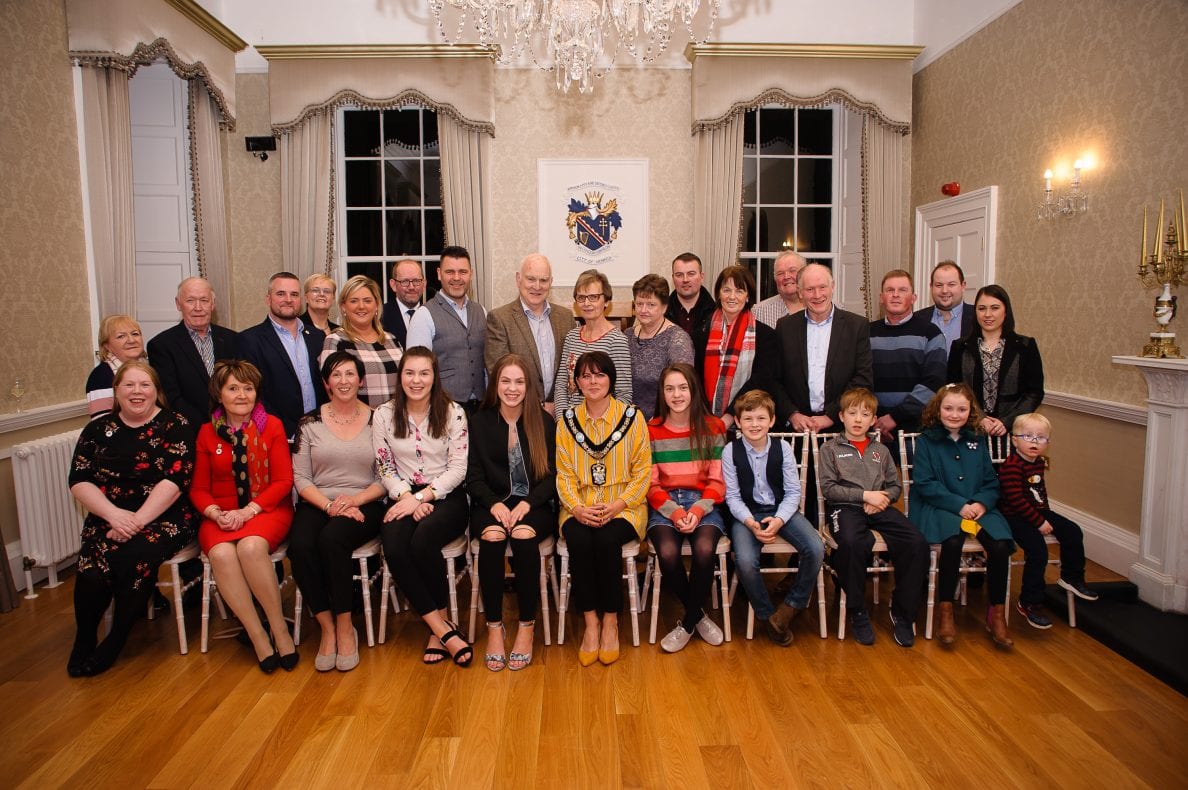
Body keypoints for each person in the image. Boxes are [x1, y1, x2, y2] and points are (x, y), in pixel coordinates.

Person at [67, 361, 197, 676]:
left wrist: (135, 521)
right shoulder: (98, 429)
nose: (137, 392)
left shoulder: (175, 425)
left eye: (144, 385)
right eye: (129, 385)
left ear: (156, 391)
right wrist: (114, 516)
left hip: (165, 516)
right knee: (92, 569)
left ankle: (116, 638)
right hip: (109, 516)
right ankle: (84, 639)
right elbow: (79, 479)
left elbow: (175, 482)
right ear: (117, 391)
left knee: (135, 555)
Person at [189, 360, 297, 672]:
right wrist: (215, 513)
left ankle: (279, 629)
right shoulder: (207, 433)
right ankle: (257, 634)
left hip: (266, 509)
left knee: (250, 547)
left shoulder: (271, 426)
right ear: (219, 394)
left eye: (247, 388)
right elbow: (198, 488)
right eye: (233, 388)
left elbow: (282, 482)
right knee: (221, 554)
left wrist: (249, 510)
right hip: (219, 516)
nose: (241, 395)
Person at [372, 348, 473, 666]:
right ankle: (441, 627)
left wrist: (422, 498)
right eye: (409, 373)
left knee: (423, 539)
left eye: (423, 373)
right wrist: (406, 497)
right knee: (396, 547)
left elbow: (458, 469)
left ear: (434, 376)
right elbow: (385, 467)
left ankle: (437, 629)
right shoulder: (384, 414)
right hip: (401, 496)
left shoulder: (453, 412)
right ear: (400, 376)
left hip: (446, 496)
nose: (416, 380)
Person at [289, 351, 387, 672]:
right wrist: (331, 505)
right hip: (319, 501)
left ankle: (346, 626)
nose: (343, 381)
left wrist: (355, 503)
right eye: (336, 375)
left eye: (349, 374)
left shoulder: (379, 420)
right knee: (300, 546)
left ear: (361, 380)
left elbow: (386, 476)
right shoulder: (309, 422)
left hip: (366, 503)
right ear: (326, 382)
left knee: (332, 540)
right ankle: (327, 628)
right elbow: (301, 478)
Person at [555, 351, 651, 666]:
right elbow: (564, 474)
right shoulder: (566, 423)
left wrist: (618, 504)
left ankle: (611, 619)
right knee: (581, 539)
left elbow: (643, 473)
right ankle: (590, 622)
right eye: (585, 375)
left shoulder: (633, 418)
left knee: (607, 539)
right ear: (577, 381)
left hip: (625, 504)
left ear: (611, 379)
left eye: (599, 375)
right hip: (578, 505)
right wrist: (577, 508)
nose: (592, 381)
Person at [466, 354, 557, 671]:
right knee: (491, 537)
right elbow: (473, 477)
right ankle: (494, 627)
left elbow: (552, 477)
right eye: (505, 381)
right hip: (489, 503)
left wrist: (526, 504)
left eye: (519, 381)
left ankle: (526, 626)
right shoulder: (479, 422)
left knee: (522, 536)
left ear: (528, 386)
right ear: (495, 384)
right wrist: (495, 505)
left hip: (534, 505)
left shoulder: (543, 422)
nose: (512, 388)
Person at [817, 387, 928, 647]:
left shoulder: (882, 450)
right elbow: (829, 488)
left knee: (916, 542)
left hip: (880, 507)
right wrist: (865, 496)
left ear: (873, 418)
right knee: (853, 543)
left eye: (865, 414)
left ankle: (902, 612)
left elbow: (894, 485)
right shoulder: (830, 449)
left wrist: (883, 499)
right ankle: (858, 611)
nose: (858, 419)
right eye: (852, 413)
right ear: (841, 416)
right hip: (845, 507)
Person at [910, 382, 1014, 649]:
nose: (954, 414)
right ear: (937, 409)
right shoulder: (926, 441)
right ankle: (946, 609)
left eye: (961, 409)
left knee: (1000, 546)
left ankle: (997, 613)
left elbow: (991, 482)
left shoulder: (977, 441)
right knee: (952, 543)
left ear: (971, 411)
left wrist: (981, 503)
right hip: (940, 508)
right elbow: (924, 483)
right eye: (948, 408)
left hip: (978, 509)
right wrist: (958, 505)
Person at [721, 389, 823, 646]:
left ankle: (791, 606)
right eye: (748, 419)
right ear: (738, 421)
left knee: (815, 547)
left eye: (760, 418)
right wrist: (750, 523)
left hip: (781, 510)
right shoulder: (730, 451)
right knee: (744, 560)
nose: (754, 424)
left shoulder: (784, 448)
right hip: (746, 514)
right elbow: (732, 497)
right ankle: (768, 615)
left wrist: (778, 520)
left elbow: (793, 492)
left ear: (772, 420)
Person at [646, 363, 727, 652]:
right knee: (667, 552)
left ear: (693, 390)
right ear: (662, 393)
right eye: (670, 388)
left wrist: (697, 511)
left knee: (705, 550)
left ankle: (688, 622)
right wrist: (677, 513)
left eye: (683, 387)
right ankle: (698, 616)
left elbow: (718, 482)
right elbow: (650, 484)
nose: (676, 394)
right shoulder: (651, 429)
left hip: (704, 503)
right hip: (664, 505)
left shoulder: (713, 426)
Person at [997, 412, 1098, 629]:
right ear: (1015, 440)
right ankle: (1029, 601)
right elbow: (1016, 500)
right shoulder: (1011, 465)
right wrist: (1039, 522)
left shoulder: (1038, 462)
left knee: (1072, 531)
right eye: (1028, 436)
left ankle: (1072, 577)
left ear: (1047, 443)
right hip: (1014, 516)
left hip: (1037, 510)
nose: (1034, 441)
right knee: (1038, 551)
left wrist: (1048, 516)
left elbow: (1039, 493)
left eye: (1040, 437)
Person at [771, 263, 873, 432]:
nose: (817, 295)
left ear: (832, 287)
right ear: (800, 292)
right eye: (810, 289)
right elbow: (774, 378)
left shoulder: (856, 326)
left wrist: (831, 416)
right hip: (796, 429)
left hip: (841, 427)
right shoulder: (785, 327)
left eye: (822, 287)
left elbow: (863, 378)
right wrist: (792, 414)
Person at [239, 272, 327, 441]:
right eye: (281, 294)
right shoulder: (249, 340)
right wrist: (280, 429)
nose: (288, 299)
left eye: (294, 294)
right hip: (277, 435)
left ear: (301, 299)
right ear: (268, 299)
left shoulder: (318, 337)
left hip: (320, 434)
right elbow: (253, 393)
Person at [947, 284, 1044, 436]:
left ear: (1006, 311)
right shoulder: (960, 347)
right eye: (981, 308)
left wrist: (1007, 421)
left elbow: (1034, 393)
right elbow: (953, 389)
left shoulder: (1025, 346)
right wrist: (979, 418)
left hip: (1013, 433)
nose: (987, 314)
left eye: (994, 308)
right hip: (970, 430)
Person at [484, 253, 575, 415]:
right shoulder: (499, 319)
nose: (537, 286)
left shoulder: (566, 318)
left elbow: (571, 368)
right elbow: (498, 372)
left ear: (551, 282)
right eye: (531, 279)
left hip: (559, 414)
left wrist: (557, 404)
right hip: (519, 414)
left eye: (544, 280)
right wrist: (537, 406)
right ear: (519, 279)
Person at [147, 277, 239, 432]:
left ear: (213, 304)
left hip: (234, 428)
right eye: (190, 300)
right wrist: (210, 427)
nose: (198, 307)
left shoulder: (233, 339)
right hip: (189, 432)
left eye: (204, 300)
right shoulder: (161, 345)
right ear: (178, 304)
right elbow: (171, 397)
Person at [692, 264, 777, 430]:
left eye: (739, 291)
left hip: (748, 422)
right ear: (718, 294)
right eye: (726, 290)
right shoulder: (701, 333)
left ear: (747, 296)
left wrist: (729, 416)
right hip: (704, 422)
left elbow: (761, 380)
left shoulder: (766, 335)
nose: (732, 296)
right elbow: (695, 378)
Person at [869, 269, 947, 445]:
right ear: (881, 297)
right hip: (874, 428)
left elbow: (934, 382)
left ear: (913, 297)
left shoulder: (931, 333)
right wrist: (876, 421)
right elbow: (859, 379)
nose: (895, 295)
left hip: (917, 431)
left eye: (902, 290)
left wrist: (895, 417)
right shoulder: (866, 333)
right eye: (890, 290)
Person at [406, 246, 487, 410]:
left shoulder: (482, 311)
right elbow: (416, 370)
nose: (456, 278)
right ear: (438, 273)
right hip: (442, 408)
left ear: (471, 274)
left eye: (463, 272)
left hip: (481, 407)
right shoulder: (424, 315)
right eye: (450, 272)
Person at [553, 269, 633, 412]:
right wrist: (562, 421)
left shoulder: (617, 340)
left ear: (606, 301)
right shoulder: (571, 337)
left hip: (603, 424)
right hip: (570, 422)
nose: (586, 303)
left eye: (593, 297)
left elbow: (623, 394)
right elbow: (561, 385)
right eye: (581, 297)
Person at [321, 275, 403, 408]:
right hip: (360, 423)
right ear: (343, 307)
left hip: (396, 421)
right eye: (353, 301)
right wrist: (372, 416)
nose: (361, 306)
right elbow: (332, 390)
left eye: (367, 300)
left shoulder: (392, 340)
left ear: (377, 305)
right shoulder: (335, 341)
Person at [626, 274, 694, 419]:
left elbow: (682, 388)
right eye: (639, 304)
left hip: (662, 420)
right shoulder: (627, 335)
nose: (644, 310)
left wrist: (660, 418)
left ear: (664, 307)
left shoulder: (677, 339)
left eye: (651, 305)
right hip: (626, 419)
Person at [85, 314, 145, 419]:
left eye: (135, 334)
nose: (131, 340)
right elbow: (102, 423)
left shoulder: (151, 368)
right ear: (107, 345)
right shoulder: (101, 376)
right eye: (121, 336)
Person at [916, 260, 974, 352]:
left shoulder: (978, 317)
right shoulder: (916, 319)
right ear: (931, 287)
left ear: (963, 286)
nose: (944, 290)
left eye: (951, 284)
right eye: (939, 285)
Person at [664, 252, 716, 336]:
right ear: (673, 278)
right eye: (679, 275)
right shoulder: (661, 313)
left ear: (701, 277)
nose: (685, 279)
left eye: (691, 274)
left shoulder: (716, 312)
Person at [752, 251, 806, 328]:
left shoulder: (820, 306)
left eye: (792, 270)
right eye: (780, 273)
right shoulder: (760, 312)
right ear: (775, 279)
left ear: (805, 273)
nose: (786, 276)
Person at [381, 259, 426, 349]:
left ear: (424, 284)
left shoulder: (433, 314)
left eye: (416, 281)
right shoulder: (380, 316)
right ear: (393, 285)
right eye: (405, 281)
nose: (411, 287)